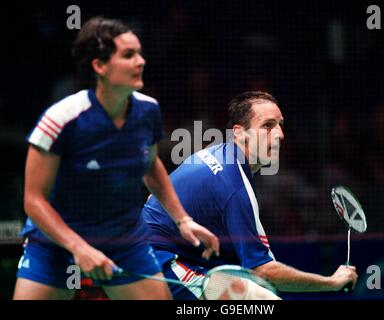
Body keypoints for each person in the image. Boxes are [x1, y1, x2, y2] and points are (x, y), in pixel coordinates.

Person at [13, 16, 219, 300]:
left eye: (140, 53)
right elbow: (34, 200)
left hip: (123, 241)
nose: (141, 61)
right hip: (56, 243)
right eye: (128, 55)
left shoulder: (148, 111)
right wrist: (80, 248)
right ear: (99, 66)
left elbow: (150, 164)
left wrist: (183, 220)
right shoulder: (61, 119)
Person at [142, 91, 358, 299]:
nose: (280, 135)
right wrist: (331, 282)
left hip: (170, 252)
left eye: (280, 125)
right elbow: (264, 272)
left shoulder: (221, 153)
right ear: (239, 133)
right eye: (267, 126)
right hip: (157, 259)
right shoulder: (234, 186)